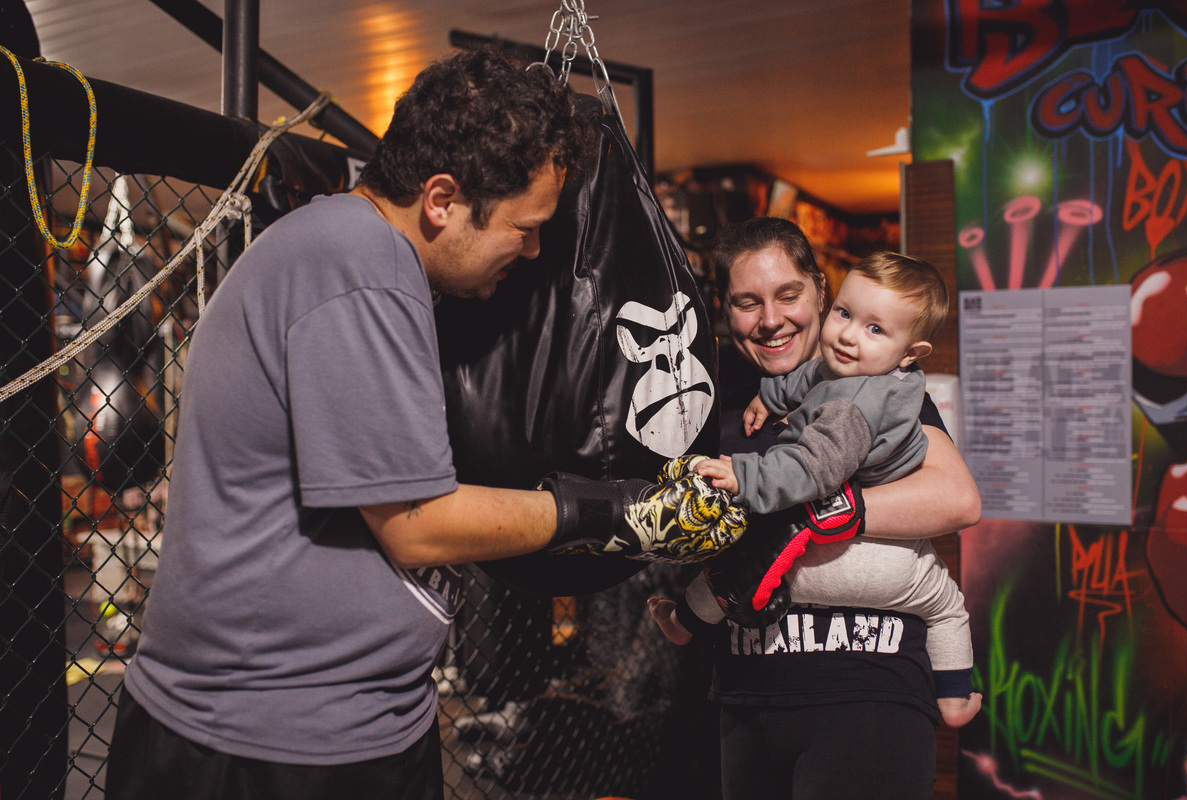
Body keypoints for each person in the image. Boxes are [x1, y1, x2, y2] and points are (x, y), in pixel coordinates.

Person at [104, 47, 740, 800]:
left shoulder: (368, 260)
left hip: (345, 722)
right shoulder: (357, 268)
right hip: (261, 741)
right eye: (524, 226)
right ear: (442, 199)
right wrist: (623, 512)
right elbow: (418, 523)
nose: (536, 249)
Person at [647, 217, 982, 800]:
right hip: (747, 695)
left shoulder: (874, 385)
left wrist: (805, 518)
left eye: (788, 295)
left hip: (867, 688)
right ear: (725, 310)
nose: (770, 319)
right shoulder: (711, 409)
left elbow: (957, 498)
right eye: (747, 302)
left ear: (820, 292)